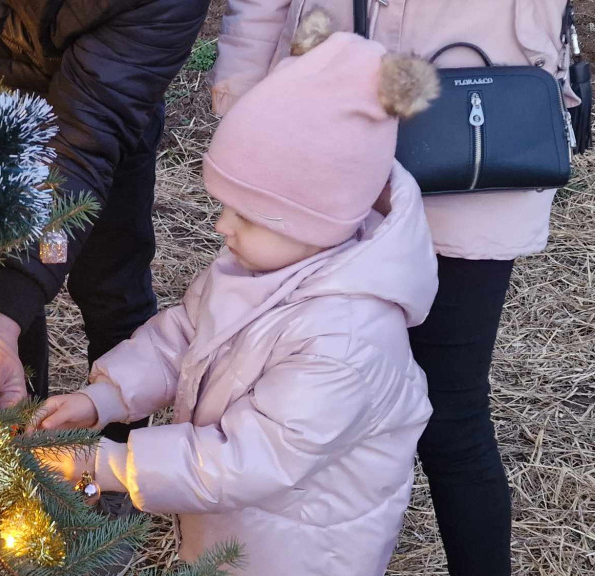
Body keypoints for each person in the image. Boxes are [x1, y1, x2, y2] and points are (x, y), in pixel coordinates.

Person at [34, 14, 441, 574]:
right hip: (235, 536)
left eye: (246, 215)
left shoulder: (346, 338)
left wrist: (105, 464)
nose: (223, 226)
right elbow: (180, 338)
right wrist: (102, 400)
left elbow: (247, 461)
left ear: (314, 220)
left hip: (303, 554)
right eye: (224, 205)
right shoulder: (261, 263)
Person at [209, 2, 579, 574]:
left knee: (451, 413)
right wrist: (242, 101)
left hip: (475, 144)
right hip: (314, 145)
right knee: (295, 386)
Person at [0, 0, 210, 442]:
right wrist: (4, 321)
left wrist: (6, 310)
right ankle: (11, 440)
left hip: (96, 137)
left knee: (111, 287)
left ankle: (115, 455)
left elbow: (85, 139)